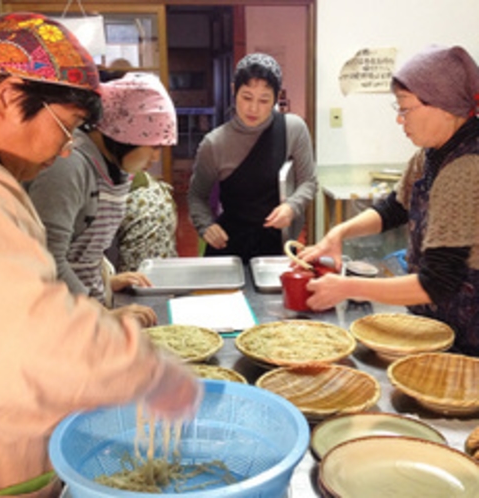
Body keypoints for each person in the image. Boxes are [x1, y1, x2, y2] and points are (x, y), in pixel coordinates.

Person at [0, 12, 200, 496]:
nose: (65, 151)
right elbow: (38, 327)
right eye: (68, 126)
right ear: (9, 97)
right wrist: (148, 371)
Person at [297, 45, 479, 356]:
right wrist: (339, 233)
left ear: (445, 107)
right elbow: (394, 207)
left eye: (405, 108)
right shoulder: (429, 156)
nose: (399, 120)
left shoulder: (467, 170)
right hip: (435, 322)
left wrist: (347, 287)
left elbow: (436, 283)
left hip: (468, 335)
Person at [28, 71, 178, 325]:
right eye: (155, 146)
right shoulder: (69, 166)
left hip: (87, 308)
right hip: (62, 317)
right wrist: (100, 315)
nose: (155, 159)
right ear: (127, 134)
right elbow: (46, 258)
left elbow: (84, 251)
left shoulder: (116, 167)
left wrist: (106, 280)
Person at [188, 52, 317, 263]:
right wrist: (206, 226)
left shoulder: (293, 128)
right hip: (230, 245)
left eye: (264, 100)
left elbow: (308, 181)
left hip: (277, 244)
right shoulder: (214, 143)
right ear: (233, 91)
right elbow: (197, 195)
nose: (253, 108)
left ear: (277, 97)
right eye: (246, 97)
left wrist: (292, 206)